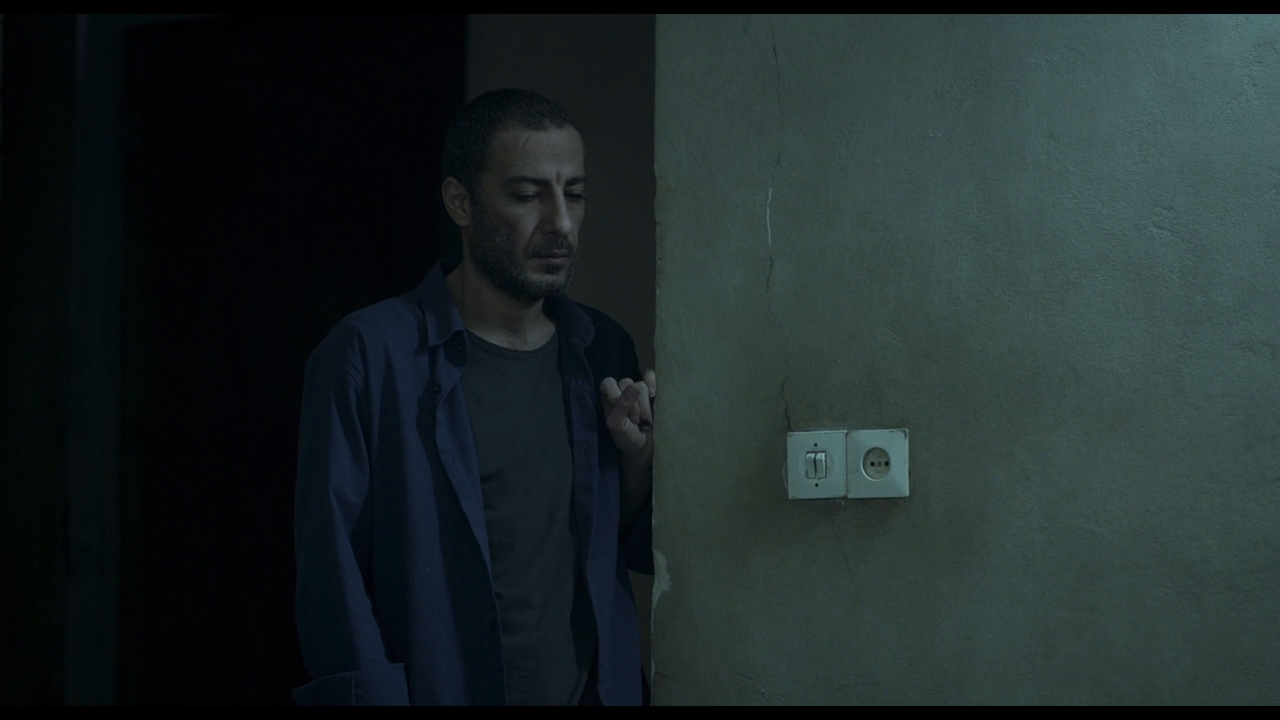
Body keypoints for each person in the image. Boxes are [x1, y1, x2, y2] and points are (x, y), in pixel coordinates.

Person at [291, 88, 655, 706]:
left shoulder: (603, 349)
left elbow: (618, 545)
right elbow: (333, 578)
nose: (561, 223)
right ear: (460, 202)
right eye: (527, 195)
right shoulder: (368, 355)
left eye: (573, 194)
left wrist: (638, 461)